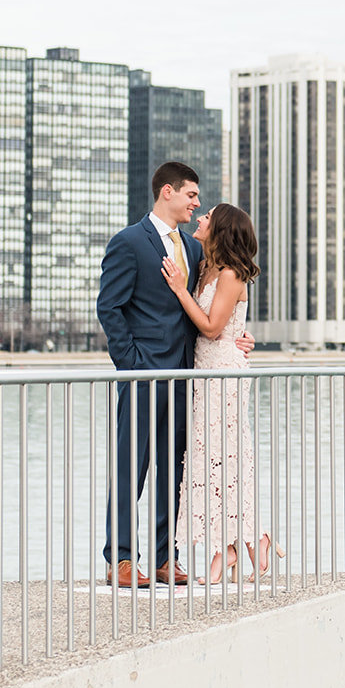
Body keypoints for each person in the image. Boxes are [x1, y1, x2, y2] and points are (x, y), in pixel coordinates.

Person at [95, 162, 254, 587]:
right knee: (133, 467)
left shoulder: (197, 248)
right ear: (167, 191)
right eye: (191, 195)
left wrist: (238, 335)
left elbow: (212, 305)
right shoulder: (129, 242)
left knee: (176, 471)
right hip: (143, 375)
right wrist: (130, 364)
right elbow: (109, 308)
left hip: (191, 379)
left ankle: (168, 557)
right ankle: (122, 559)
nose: (197, 203)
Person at [162, 204, 281, 584]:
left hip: (225, 372)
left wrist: (180, 291)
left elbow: (213, 328)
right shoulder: (204, 267)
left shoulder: (230, 275)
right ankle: (232, 545)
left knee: (225, 457)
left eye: (207, 217)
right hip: (204, 371)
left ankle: (246, 542)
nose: (200, 219)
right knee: (208, 457)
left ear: (221, 229)